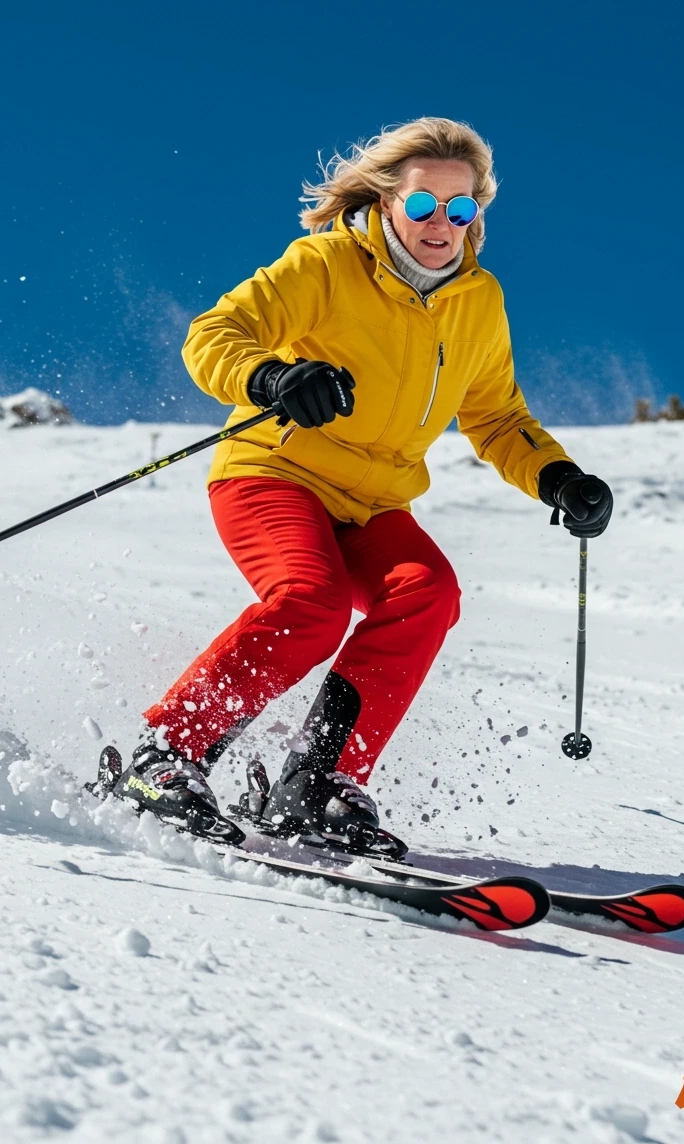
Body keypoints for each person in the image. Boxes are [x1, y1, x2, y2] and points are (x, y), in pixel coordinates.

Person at [113, 117, 613, 854]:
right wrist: (274, 377)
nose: (441, 223)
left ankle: (317, 780)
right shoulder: (326, 264)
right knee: (310, 604)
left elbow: (497, 416)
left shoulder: (478, 300)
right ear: (386, 202)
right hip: (274, 472)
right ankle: (166, 755)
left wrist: (558, 478)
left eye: (460, 207)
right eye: (423, 204)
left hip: (372, 502)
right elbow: (214, 334)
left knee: (428, 592)